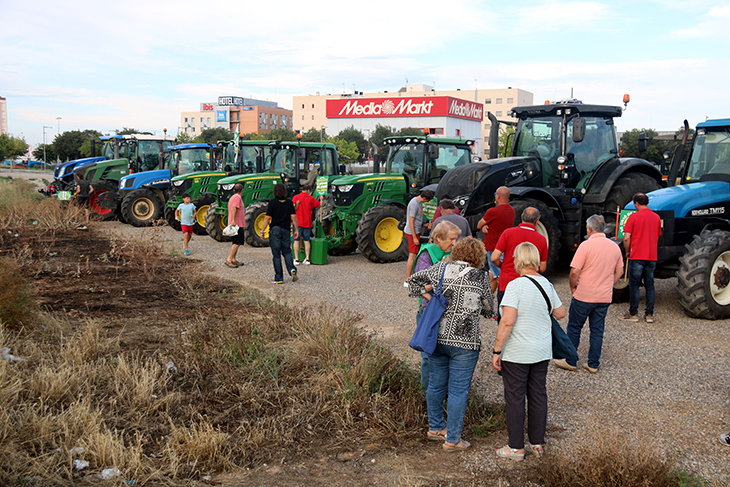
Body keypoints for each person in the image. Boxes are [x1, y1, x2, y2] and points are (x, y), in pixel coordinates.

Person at [408, 237, 494, 452]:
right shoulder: (480, 277)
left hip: (437, 337)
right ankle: (453, 439)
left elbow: (412, 282)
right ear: (478, 256)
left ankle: (435, 427)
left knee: (436, 384)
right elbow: (489, 310)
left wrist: (431, 297)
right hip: (465, 342)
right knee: (457, 391)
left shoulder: (441, 269)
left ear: (457, 252)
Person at [492, 242, 566, 461]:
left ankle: (516, 447)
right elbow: (560, 313)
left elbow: (507, 322)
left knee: (515, 398)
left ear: (518, 260)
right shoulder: (547, 285)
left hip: (518, 352)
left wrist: (497, 350)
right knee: (537, 395)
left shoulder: (515, 286)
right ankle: (537, 443)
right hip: (541, 351)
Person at [554, 215, 623, 373]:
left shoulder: (586, 246)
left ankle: (571, 360)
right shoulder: (614, 247)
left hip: (584, 294)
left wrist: (573, 287)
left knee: (574, 327)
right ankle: (593, 363)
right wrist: (610, 284)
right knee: (597, 329)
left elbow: (574, 271)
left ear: (589, 229)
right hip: (604, 296)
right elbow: (620, 269)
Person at [411, 220, 461, 393]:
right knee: (428, 357)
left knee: (444, 357)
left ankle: (442, 394)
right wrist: (443, 268)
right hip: (429, 312)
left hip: (448, 312)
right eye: (451, 239)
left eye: (456, 239)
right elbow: (417, 286)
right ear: (438, 238)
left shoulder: (452, 253)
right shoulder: (427, 254)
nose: (454, 243)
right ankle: (427, 396)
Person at [491, 207, 548, 310]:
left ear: (522, 216)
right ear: (537, 221)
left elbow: (494, 257)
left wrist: (502, 265)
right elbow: (543, 268)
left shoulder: (508, 233)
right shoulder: (542, 239)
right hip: (529, 285)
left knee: (504, 318)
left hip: (507, 283)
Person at [622, 193, 662, 323]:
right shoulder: (656, 218)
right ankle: (649, 314)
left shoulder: (633, 217)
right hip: (651, 256)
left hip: (637, 254)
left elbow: (627, 237)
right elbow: (657, 235)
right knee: (650, 285)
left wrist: (628, 251)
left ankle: (634, 314)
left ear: (636, 204)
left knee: (634, 285)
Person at [477, 186, 515, 293]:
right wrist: (486, 226)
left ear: (497, 197)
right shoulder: (511, 211)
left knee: (498, 277)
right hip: (504, 248)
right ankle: (488, 299)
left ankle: (502, 299)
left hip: (494, 249)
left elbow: (479, 224)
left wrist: (484, 226)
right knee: (492, 275)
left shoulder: (492, 211)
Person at [261, 183, 299, 284]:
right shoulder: (289, 202)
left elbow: (267, 218)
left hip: (275, 230)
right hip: (286, 230)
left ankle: (279, 278)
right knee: (287, 251)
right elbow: (293, 217)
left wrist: (262, 230)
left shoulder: (272, 202)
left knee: (276, 255)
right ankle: (291, 268)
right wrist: (296, 230)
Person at [404, 189, 435, 287]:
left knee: (414, 255)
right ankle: (407, 280)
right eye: (428, 200)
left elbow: (417, 219)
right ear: (424, 198)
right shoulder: (414, 204)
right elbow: (411, 221)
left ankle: (412, 277)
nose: (428, 202)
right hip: (411, 232)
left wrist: (425, 225)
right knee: (412, 255)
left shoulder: (418, 203)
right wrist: (414, 237)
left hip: (416, 231)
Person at [292, 185, 321, 265]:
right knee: (306, 241)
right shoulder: (311, 198)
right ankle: (307, 259)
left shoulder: (296, 197)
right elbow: (319, 205)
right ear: (308, 191)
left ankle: (297, 259)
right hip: (307, 223)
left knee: (296, 241)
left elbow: (292, 208)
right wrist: (321, 198)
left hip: (297, 223)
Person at [225, 183, 246, 268]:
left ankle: (233, 259)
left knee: (236, 242)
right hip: (237, 223)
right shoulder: (238, 197)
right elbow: (234, 208)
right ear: (242, 190)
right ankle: (229, 259)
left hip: (236, 222)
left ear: (234, 190)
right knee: (237, 242)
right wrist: (234, 220)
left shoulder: (232, 197)